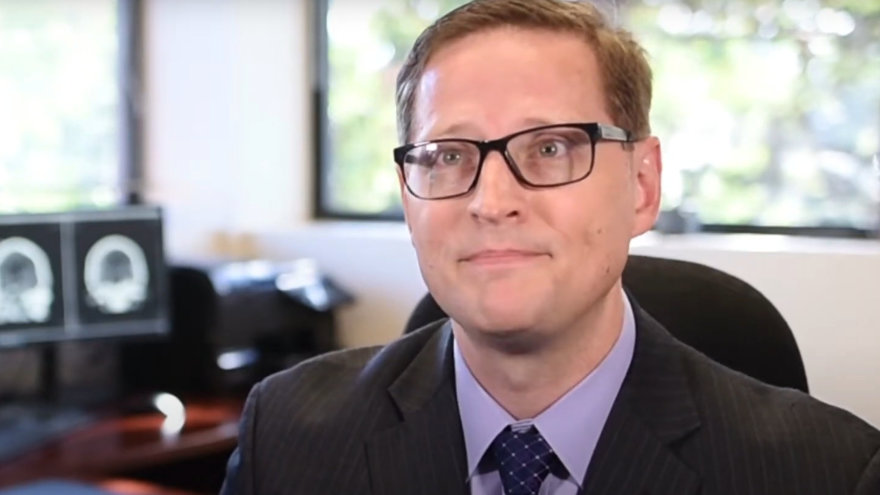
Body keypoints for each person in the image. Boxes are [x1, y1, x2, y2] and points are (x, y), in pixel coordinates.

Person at [220, 0, 880, 493]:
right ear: (407, 195)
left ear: (642, 186)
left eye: (551, 147)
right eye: (449, 154)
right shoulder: (286, 437)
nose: (491, 199)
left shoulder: (826, 471)